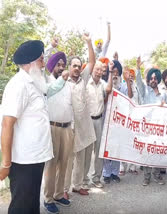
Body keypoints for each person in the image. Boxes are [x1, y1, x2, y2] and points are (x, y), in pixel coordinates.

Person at [0, 40, 67, 214]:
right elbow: (7, 124)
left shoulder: (35, 82)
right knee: (21, 207)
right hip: (23, 161)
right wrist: (6, 163)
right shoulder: (19, 85)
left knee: (31, 206)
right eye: (41, 60)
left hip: (35, 158)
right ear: (30, 63)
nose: (44, 64)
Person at [63, 33, 96, 198]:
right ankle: (64, 189)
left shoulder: (83, 78)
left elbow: (92, 62)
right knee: (68, 160)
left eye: (78, 66)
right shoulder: (62, 82)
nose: (76, 68)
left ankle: (78, 185)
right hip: (69, 127)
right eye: (74, 65)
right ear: (69, 67)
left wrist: (89, 43)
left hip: (84, 126)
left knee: (82, 158)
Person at [43, 51, 74, 213]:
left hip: (67, 128)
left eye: (63, 65)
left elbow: (71, 106)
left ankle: (58, 194)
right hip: (52, 128)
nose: (61, 68)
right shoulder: (46, 81)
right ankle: (48, 198)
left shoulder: (69, 84)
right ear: (52, 66)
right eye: (58, 65)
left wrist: (72, 127)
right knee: (51, 165)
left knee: (64, 164)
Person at [135, 57, 167, 186]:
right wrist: (138, 68)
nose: (153, 80)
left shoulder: (163, 94)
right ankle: (146, 177)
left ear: (158, 80)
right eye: (151, 78)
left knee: (157, 152)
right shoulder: (144, 91)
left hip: (158, 128)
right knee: (147, 152)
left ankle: (157, 175)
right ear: (149, 79)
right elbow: (138, 82)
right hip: (146, 128)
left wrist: (164, 106)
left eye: (155, 78)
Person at [102, 60, 130, 184]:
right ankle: (106, 173)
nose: (115, 75)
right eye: (113, 72)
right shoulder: (104, 84)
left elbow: (129, 96)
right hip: (106, 119)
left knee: (117, 146)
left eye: (117, 73)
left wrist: (128, 81)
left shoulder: (122, 85)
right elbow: (104, 99)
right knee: (106, 146)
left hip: (118, 121)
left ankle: (115, 172)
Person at [86, 61, 113, 189]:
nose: (98, 72)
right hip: (86, 121)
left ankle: (96, 178)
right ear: (92, 70)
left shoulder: (103, 84)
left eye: (101, 70)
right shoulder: (86, 83)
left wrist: (111, 71)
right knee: (86, 152)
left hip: (99, 121)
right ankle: (83, 180)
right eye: (96, 69)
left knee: (98, 152)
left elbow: (109, 89)